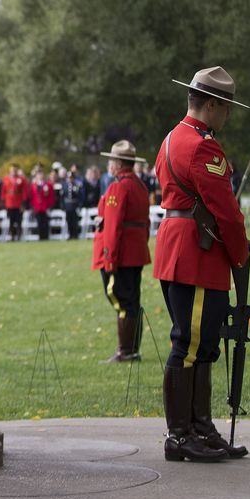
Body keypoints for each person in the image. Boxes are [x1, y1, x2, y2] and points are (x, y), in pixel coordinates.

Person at [154, 66, 250, 462]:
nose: (227, 115)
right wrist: (240, 251)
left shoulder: (172, 138)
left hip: (181, 252)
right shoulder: (203, 147)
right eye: (225, 108)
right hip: (196, 256)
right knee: (190, 345)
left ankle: (199, 427)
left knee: (202, 344)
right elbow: (225, 211)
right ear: (211, 104)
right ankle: (180, 436)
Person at [91, 140, 151, 362]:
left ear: (118, 163)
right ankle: (131, 349)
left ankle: (126, 351)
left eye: (111, 160)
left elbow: (114, 226)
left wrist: (110, 258)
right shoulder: (140, 185)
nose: (109, 164)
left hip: (122, 254)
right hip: (135, 253)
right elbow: (145, 223)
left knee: (121, 300)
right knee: (132, 300)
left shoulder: (118, 187)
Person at [2, 164, 28, 241]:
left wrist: (23, 203)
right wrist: (4, 202)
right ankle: (12, 236)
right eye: (12, 170)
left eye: (15, 170)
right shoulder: (6, 179)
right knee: (11, 220)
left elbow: (24, 191)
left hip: (18, 202)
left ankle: (19, 235)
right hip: (9, 203)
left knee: (19, 220)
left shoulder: (21, 179)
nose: (13, 172)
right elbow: (3, 191)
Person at [29, 168, 55, 240]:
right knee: (39, 223)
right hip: (37, 207)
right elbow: (32, 196)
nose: (40, 176)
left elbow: (51, 196)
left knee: (45, 222)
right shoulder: (33, 185)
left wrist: (49, 206)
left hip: (45, 207)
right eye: (38, 175)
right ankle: (40, 236)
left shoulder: (48, 185)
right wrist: (33, 206)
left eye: (41, 174)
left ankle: (46, 236)